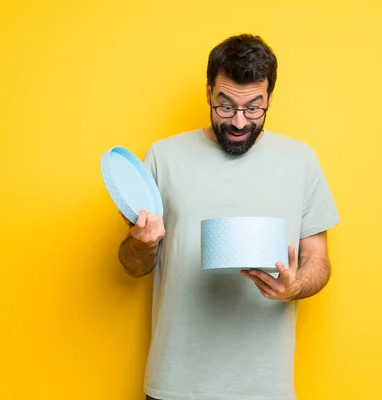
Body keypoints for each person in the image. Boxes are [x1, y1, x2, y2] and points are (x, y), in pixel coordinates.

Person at [118, 33, 340, 400]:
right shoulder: (162, 158)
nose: (238, 122)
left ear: (269, 98)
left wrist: (295, 287)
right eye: (225, 107)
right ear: (208, 93)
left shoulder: (301, 161)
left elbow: (318, 259)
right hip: (176, 384)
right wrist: (141, 245)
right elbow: (132, 265)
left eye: (253, 108)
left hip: (265, 387)